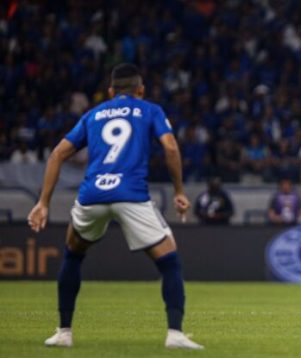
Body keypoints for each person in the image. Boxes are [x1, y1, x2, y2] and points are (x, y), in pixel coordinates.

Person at [26, 63, 203, 349]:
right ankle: (175, 335)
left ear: (110, 92)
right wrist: (179, 191)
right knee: (170, 261)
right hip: (130, 194)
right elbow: (170, 147)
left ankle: (63, 332)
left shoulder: (92, 114)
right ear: (141, 90)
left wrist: (43, 202)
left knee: (73, 255)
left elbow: (57, 154)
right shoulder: (150, 110)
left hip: (92, 195)